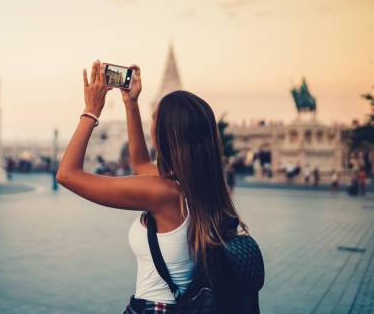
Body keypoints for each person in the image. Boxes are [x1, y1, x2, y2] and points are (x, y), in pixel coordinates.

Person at [57, 61, 255, 313]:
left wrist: (91, 110)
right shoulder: (199, 184)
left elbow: (67, 174)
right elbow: (140, 164)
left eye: (154, 119)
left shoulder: (163, 193)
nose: (151, 124)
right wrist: (131, 103)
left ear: (164, 133)